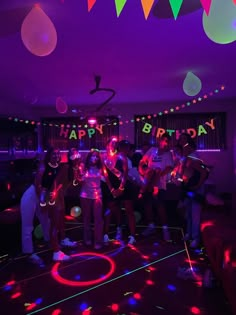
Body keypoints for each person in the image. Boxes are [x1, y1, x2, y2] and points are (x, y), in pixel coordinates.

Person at [39, 147, 77, 262]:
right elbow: (45, 185)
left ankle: (63, 240)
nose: (56, 156)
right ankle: (56, 252)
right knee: (54, 224)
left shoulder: (64, 167)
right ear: (49, 156)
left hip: (58, 196)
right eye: (53, 154)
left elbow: (67, 183)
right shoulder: (49, 167)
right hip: (52, 197)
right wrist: (44, 201)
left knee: (60, 221)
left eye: (58, 153)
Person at [139, 133, 174, 241]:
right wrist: (144, 171)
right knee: (148, 205)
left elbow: (169, 168)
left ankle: (165, 229)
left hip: (159, 184)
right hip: (147, 182)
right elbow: (142, 162)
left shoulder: (168, 154)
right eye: (164, 140)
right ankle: (151, 226)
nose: (165, 142)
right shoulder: (152, 150)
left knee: (160, 206)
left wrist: (158, 176)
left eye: (167, 140)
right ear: (160, 140)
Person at [102, 138, 137, 245]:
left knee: (129, 210)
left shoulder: (121, 156)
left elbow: (125, 172)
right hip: (112, 186)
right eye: (112, 143)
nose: (114, 145)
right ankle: (106, 234)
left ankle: (132, 236)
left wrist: (121, 188)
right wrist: (112, 189)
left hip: (125, 185)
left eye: (116, 143)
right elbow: (105, 174)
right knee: (110, 209)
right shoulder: (104, 157)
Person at [179, 137, 209, 248]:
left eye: (185, 146)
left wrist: (198, 185)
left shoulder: (193, 157)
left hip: (195, 189)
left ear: (190, 146)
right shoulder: (187, 158)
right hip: (189, 188)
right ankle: (189, 234)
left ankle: (195, 238)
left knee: (195, 214)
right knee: (189, 213)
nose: (183, 148)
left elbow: (204, 172)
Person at [20, 156, 50, 266]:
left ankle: (49, 241)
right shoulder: (41, 169)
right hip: (31, 195)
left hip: (40, 194)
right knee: (28, 225)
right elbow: (38, 186)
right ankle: (28, 252)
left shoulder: (51, 169)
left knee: (46, 219)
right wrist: (42, 203)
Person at [78, 149, 105, 249]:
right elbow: (79, 182)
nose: (95, 158)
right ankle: (87, 239)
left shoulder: (101, 167)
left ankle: (98, 241)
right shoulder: (83, 167)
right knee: (86, 218)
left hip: (98, 195)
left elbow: (106, 179)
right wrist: (79, 175)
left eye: (97, 156)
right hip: (85, 195)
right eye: (93, 156)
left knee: (98, 219)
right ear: (89, 157)